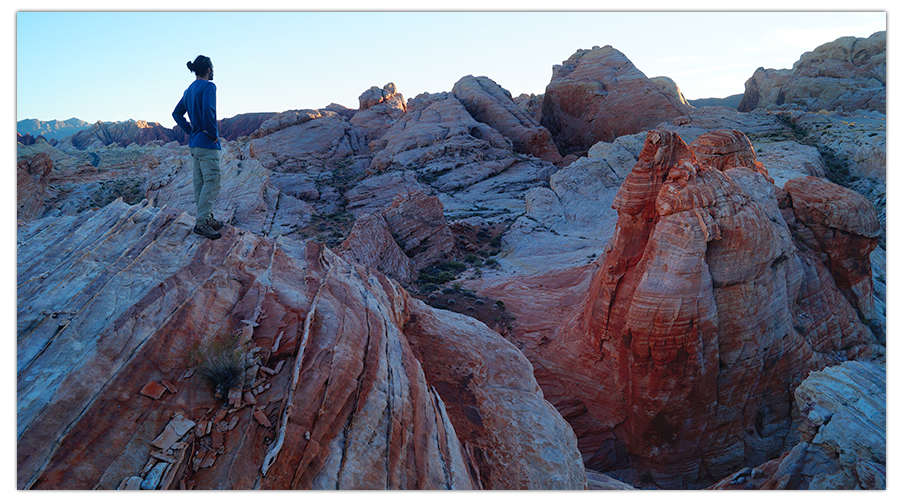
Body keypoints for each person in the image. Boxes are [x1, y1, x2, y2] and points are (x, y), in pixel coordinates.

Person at [173, 55, 224, 240]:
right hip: (206, 143)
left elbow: (176, 113)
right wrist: (212, 134)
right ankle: (202, 223)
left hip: (194, 144)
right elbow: (208, 110)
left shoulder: (189, 90)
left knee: (200, 183)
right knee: (212, 183)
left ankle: (207, 217)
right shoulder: (209, 86)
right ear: (209, 69)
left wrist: (190, 130)